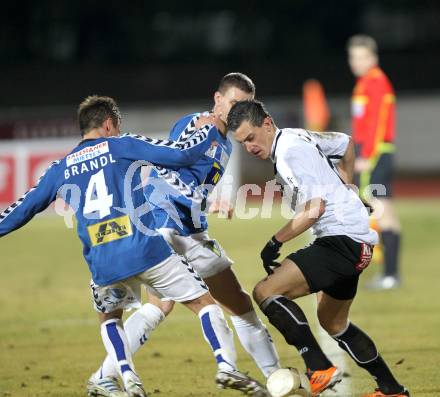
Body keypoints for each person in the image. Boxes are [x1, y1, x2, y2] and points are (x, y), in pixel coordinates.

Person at [0, 96, 266, 397]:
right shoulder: (121, 144)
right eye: (116, 127)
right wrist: (207, 132)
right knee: (205, 305)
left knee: (110, 316)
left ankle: (125, 378)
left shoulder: (60, 168)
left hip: (102, 261)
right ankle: (226, 366)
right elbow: (179, 156)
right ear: (108, 124)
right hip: (145, 249)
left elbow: (21, 210)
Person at [91, 73, 280, 396]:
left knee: (216, 302)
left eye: (244, 106)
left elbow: (190, 182)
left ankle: (102, 376)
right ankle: (271, 377)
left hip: (188, 227)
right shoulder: (199, 126)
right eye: (233, 103)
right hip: (169, 226)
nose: (237, 111)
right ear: (217, 99)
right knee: (216, 305)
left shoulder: (224, 139)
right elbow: (168, 165)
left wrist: (206, 201)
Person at [227, 99, 410, 397]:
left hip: (340, 240)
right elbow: (346, 143)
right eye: (242, 143)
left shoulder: (288, 153)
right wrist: (348, 187)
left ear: (267, 124)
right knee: (334, 322)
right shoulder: (299, 136)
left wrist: (275, 241)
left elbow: (314, 209)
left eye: (251, 137)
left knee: (265, 291)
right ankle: (392, 389)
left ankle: (319, 367)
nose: (249, 147)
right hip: (355, 240)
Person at [347, 34, 401, 290]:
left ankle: (390, 274)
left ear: (373, 58)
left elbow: (378, 122)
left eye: (361, 57)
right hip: (372, 150)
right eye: (353, 57)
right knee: (382, 210)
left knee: (379, 209)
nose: (356, 62)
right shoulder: (364, 83)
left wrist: (367, 154)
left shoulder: (376, 82)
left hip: (376, 152)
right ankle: (389, 274)